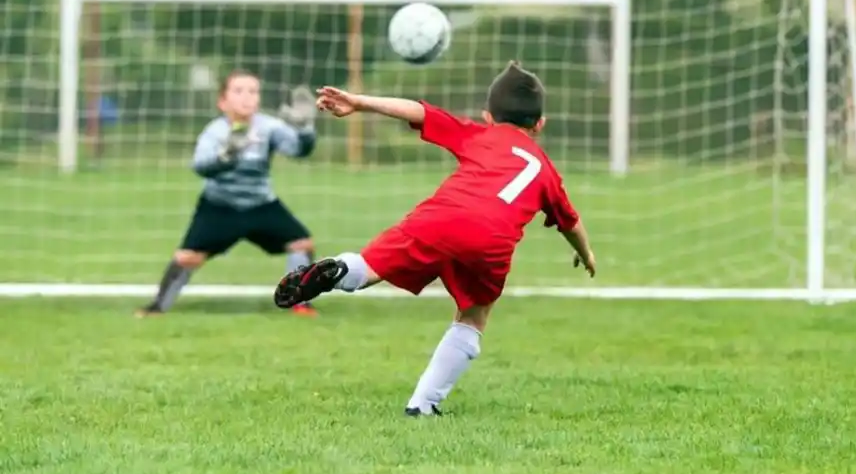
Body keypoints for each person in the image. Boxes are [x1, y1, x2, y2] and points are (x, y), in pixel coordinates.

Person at [273, 61, 596, 415]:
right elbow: (571, 222)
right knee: (473, 316)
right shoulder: (546, 170)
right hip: (491, 240)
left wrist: (359, 102)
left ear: (487, 116)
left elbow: (419, 111)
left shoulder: (478, 133)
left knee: (369, 268)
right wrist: (586, 253)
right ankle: (422, 405)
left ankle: (337, 271)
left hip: (440, 218)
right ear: (540, 124)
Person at [137, 70, 319, 317]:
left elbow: (299, 151)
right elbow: (200, 167)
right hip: (219, 207)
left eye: (253, 91)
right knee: (187, 258)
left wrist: (305, 129)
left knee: (302, 244)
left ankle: (300, 303)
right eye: (239, 91)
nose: (247, 97)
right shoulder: (215, 132)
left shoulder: (269, 127)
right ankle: (157, 307)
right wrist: (225, 157)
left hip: (261, 205)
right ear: (222, 101)